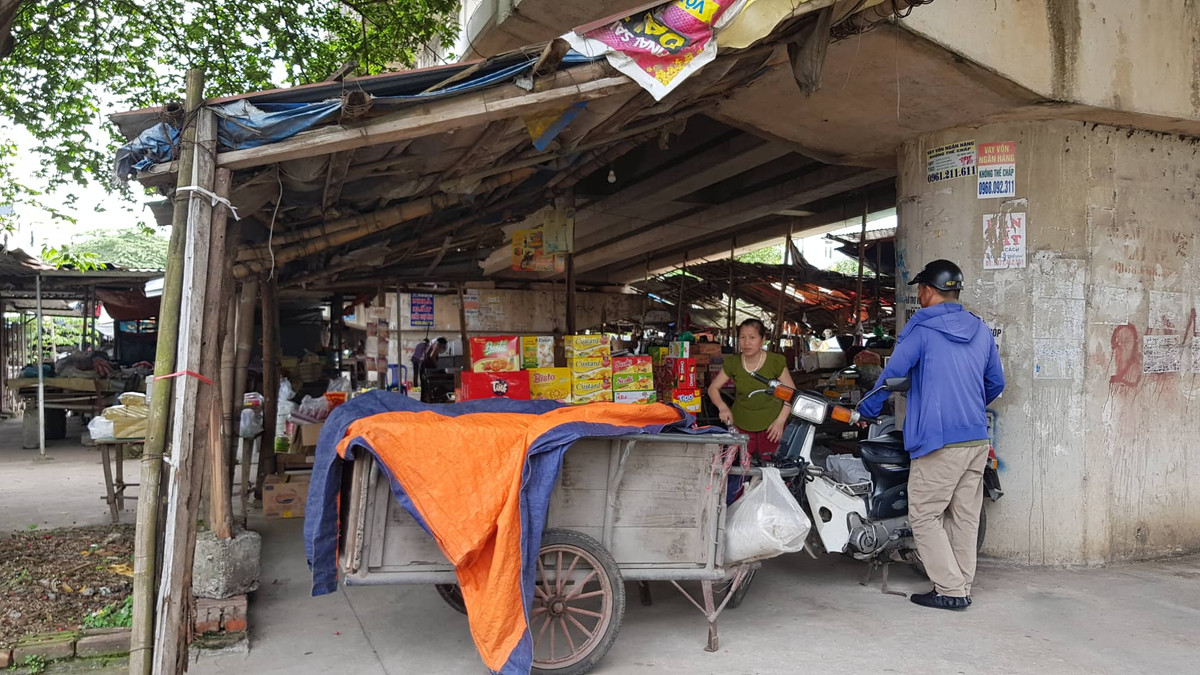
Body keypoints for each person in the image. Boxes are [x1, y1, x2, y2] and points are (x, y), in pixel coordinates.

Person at [858, 259, 1005, 611]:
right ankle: (961, 584)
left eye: (920, 290)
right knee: (964, 516)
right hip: (976, 438)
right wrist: (967, 406)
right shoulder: (980, 329)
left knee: (924, 515)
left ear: (927, 290)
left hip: (939, 441)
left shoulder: (921, 328)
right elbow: (996, 382)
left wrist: (867, 410)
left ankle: (951, 590)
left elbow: (892, 375)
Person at [707, 319, 796, 458]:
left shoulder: (775, 361)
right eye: (742, 337)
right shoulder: (733, 362)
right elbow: (713, 388)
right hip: (741, 422)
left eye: (752, 337)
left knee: (770, 465)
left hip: (771, 424)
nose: (746, 342)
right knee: (740, 464)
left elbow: (791, 393)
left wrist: (780, 421)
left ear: (763, 339)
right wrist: (722, 407)